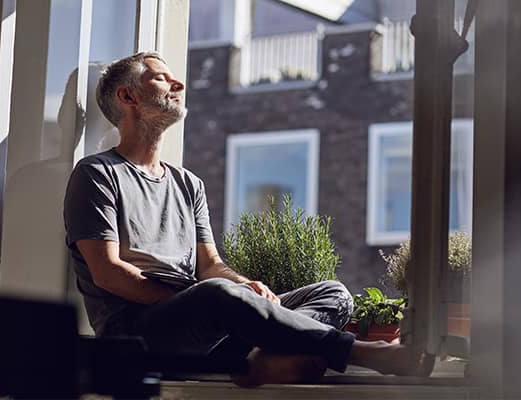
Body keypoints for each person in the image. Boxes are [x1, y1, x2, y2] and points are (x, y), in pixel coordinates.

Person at [63, 51, 433, 386]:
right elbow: (108, 272)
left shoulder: (187, 183)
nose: (179, 84)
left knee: (332, 293)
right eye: (161, 78)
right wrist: (212, 296)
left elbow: (211, 266)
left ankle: (266, 361)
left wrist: (245, 284)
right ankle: (365, 354)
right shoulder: (97, 173)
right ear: (127, 97)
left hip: (208, 327)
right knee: (217, 295)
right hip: (140, 333)